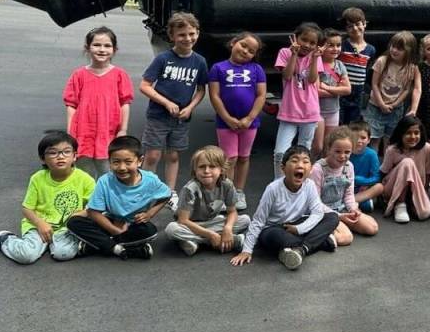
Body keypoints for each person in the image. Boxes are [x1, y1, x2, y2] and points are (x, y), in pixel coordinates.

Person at [231, 145, 340, 270]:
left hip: (296, 225)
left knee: (332, 217)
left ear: (310, 170)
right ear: (283, 168)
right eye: (294, 161)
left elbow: (317, 212)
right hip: (274, 229)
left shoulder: (309, 185)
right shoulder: (273, 189)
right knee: (278, 238)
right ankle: (319, 242)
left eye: (305, 161)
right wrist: (247, 250)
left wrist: (299, 229)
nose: (300, 165)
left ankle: (301, 250)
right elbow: (258, 221)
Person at [139, 12, 208, 201]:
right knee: (152, 155)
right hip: (158, 115)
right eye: (182, 35)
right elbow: (144, 85)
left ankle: (169, 191)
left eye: (192, 33)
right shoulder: (163, 59)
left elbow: (201, 89)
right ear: (172, 36)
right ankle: (145, 189)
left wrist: (191, 107)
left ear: (198, 33)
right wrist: (166, 102)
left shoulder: (199, 61)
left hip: (181, 118)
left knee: (173, 155)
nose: (188, 38)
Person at [66, 135, 171, 259]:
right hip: (109, 221)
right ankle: (125, 249)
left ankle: (97, 245)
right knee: (74, 222)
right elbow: (93, 212)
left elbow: (166, 195)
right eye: (116, 162)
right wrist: (114, 230)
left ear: (140, 161)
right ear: (109, 162)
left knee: (149, 231)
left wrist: (149, 214)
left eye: (128, 162)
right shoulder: (104, 181)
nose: (122, 167)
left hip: (133, 225)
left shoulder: (150, 180)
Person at [0, 131, 95, 264]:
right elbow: (27, 208)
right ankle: (5, 238)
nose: (60, 157)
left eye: (66, 151)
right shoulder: (37, 178)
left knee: (63, 254)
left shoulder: (84, 179)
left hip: (66, 228)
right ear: (43, 158)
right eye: (53, 153)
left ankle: (55, 245)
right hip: (38, 225)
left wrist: (80, 214)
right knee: (26, 256)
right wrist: (39, 223)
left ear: (74, 156)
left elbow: (95, 207)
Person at [63, 26, 133, 176]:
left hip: (108, 132)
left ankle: (106, 199)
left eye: (107, 45)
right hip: (82, 132)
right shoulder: (78, 75)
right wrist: (70, 131)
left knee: (107, 172)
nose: (102, 49)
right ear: (87, 48)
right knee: (83, 174)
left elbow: (125, 103)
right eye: (96, 45)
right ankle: (88, 200)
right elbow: (71, 105)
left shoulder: (120, 75)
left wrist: (123, 130)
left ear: (114, 49)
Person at [208, 31, 266, 209]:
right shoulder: (218, 68)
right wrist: (227, 118)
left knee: (243, 157)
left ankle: (239, 191)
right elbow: (214, 95)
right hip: (225, 122)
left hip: (250, 123)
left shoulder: (257, 70)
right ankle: (227, 192)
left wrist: (250, 118)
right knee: (229, 158)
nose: (246, 51)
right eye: (243, 45)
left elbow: (261, 95)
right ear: (233, 43)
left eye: (251, 50)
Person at [165, 145, 250, 256]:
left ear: (221, 169)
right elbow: (183, 220)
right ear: (195, 170)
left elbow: (232, 212)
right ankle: (224, 241)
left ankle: (191, 241)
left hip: (212, 222)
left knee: (245, 220)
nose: (206, 171)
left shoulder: (227, 185)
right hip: (190, 225)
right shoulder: (190, 189)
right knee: (171, 229)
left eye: (212, 166)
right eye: (202, 167)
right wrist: (210, 235)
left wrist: (228, 229)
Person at [309, 127, 379, 245]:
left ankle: (339, 226)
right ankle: (318, 233)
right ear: (328, 149)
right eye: (338, 151)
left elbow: (348, 194)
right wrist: (339, 216)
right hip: (324, 211)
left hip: (341, 207)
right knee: (346, 238)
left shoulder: (349, 166)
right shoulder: (318, 169)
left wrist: (353, 209)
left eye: (347, 152)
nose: (342, 156)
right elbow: (315, 203)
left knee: (372, 227)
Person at [272, 22, 324, 176]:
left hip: (310, 112)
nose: (307, 45)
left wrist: (315, 59)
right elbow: (287, 76)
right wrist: (294, 54)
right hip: (290, 111)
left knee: (303, 153)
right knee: (280, 153)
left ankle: (299, 183)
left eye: (312, 43)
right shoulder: (285, 52)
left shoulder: (316, 57)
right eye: (304, 40)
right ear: (295, 37)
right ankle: (278, 183)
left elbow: (313, 79)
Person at [365, 31, 421, 152]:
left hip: (395, 109)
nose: (394, 50)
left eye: (399, 49)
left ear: (408, 51)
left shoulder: (411, 68)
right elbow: (374, 84)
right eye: (393, 46)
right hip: (376, 106)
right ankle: (374, 167)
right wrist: (381, 103)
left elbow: (407, 89)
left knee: (390, 140)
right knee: (374, 139)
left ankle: (387, 166)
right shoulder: (382, 61)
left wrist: (395, 104)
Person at [379, 114, 430, 223]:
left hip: (416, 187)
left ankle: (411, 203)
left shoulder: (427, 148)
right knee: (407, 162)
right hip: (393, 188)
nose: (413, 137)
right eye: (408, 133)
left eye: (416, 133)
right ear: (401, 134)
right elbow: (383, 173)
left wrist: (424, 194)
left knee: (424, 213)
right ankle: (400, 203)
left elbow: (429, 173)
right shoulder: (392, 150)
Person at [315, 28, 351, 156]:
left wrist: (327, 87)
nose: (335, 48)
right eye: (330, 45)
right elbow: (316, 91)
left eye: (338, 45)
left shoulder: (340, 65)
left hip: (333, 110)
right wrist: (337, 90)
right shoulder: (316, 63)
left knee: (328, 146)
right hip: (317, 111)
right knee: (317, 146)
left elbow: (347, 89)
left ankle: (325, 174)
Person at [338, 7, 376, 124]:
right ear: (346, 29)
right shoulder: (342, 46)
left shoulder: (370, 49)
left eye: (358, 24)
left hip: (358, 92)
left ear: (364, 24)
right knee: (339, 121)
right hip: (341, 91)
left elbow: (367, 69)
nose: (355, 28)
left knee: (354, 123)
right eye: (350, 26)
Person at [348, 120, 384, 211]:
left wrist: (360, 180)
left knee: (379, 187)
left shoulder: (372, 154)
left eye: (363, 138)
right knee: (365, 206)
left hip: (362, 189)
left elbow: (376, 178)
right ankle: (352, 203)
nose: (359, 141)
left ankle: (350, 202)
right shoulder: (346, 152)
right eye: (355, 137)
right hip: (346, 188)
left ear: (369, 140)